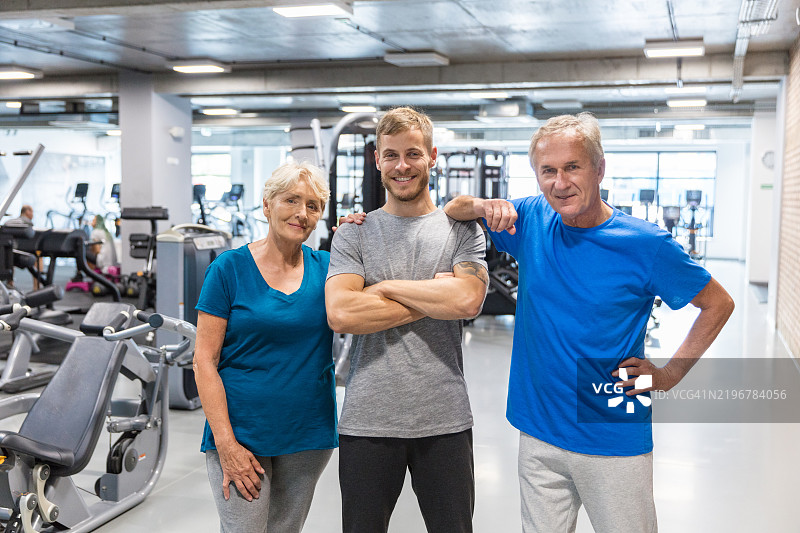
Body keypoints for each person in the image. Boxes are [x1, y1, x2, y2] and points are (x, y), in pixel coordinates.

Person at [444, 112, 735, 533]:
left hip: (611, 435)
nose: (559, 183)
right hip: (539, 431)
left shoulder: (646, 244)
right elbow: (454, 210)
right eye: (548, 171)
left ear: (599, 168)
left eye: (572, 167)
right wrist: (481, 205)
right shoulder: (530, 219)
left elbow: (718, 304)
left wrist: (670, 374)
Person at [325, 106, 489, 533]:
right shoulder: (353, 232)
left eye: (413, 154)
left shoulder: (462, 230)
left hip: (445, 419)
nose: (403, 166)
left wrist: (382, 287)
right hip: (367, 420)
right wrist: (436, 294)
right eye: (392, 154)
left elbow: (469, 300)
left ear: (432, 156)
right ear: (377, 160)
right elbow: (342, 312)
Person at [193, 161, 338, 533]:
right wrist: (226, 444)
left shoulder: (329, 269)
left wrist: (359, 235)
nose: (301, 213)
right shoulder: (228, 269)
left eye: (313, 205)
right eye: (291, 200)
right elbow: (204, 361)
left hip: (308, 432)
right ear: (267, 205)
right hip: (241, 433)